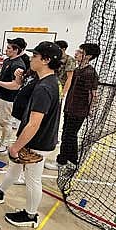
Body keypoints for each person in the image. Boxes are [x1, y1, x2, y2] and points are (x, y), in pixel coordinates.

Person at [0, 42, 62, 227]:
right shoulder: (49, 80)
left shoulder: (44, 88)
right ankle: (0, 190)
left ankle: (31, 215)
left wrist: (16, 146)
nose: (31, 59)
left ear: (46, 60)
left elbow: (34, 123)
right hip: (36, 138)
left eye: (35, 56)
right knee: (15, 168)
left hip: (38, 141)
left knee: (33, 179)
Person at [56, 43, 100, 168]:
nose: (76, 53)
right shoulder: (77, 69)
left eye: (80, 52)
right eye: (78, 50)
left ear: (88, 56)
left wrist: (90, 110)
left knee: (69, 135)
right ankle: (70, 160)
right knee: (68, 134)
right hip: (70, 107)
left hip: (79, 110)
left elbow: (93, 94)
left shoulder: (90, 73)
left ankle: (64, 161)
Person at [0, 38, 26, 154]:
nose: (6, 50)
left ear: (16, 50)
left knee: (7, 122)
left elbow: (16, 85)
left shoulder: (18, 65)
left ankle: (5, 145)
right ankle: (3, 139)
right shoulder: (7, 61)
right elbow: (5, 75)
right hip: (1, 95)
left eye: (9, 48)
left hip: (9, 98)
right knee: (3, 122)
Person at [44, 39, 76, 170]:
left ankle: (52, 138)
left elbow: (69, 78)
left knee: (54, 116)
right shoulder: (54, 58)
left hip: (59, 89)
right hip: (51, 86)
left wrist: (63, 93)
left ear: (63, 49)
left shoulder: (69, 60)